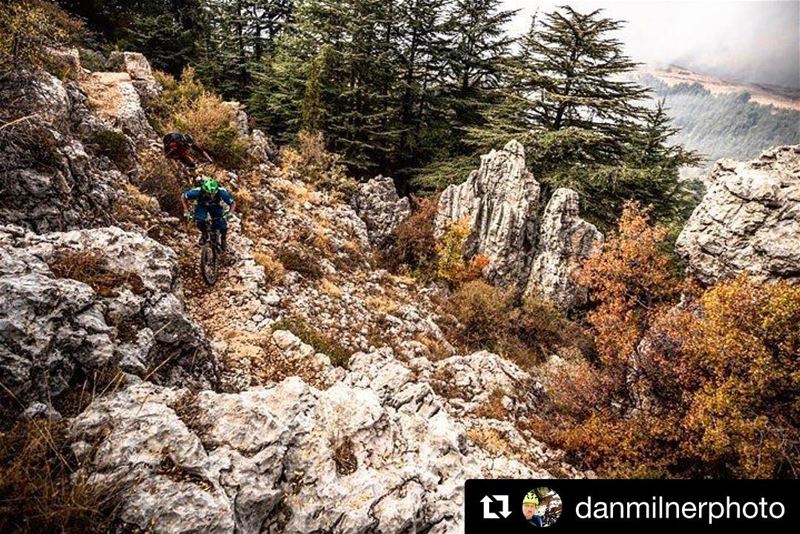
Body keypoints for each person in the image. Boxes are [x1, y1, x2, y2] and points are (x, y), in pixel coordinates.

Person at [181, 178, 235, 251]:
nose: (211, 196)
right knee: (200, 220)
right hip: (202, 205)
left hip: (215, 206)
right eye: (209, 194)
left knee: (222, 224)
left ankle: (223, 238)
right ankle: (204, 234)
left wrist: (229, 213)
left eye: (213, 193)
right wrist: (186, 211)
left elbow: (232, 203)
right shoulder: (197, 191)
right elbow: (183, 197)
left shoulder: (222, 192)